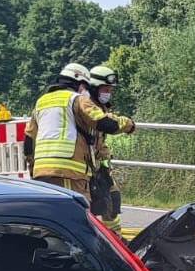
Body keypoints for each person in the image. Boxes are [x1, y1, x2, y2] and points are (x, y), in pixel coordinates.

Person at [25, 63, 130, 201]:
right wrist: (128, 124)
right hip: (69, 173)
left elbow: (28, 141)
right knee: (77, 215)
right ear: (79, 83)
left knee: (53, 216)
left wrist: (34, 168)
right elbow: (103, 122)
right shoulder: (76, 99)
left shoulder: (41, 102)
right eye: (85, 86)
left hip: (41, 173)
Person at [87, 65, 136, 233]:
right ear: (93, 88)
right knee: (91, 208)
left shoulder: (99, 107)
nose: (108, 93)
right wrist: (128, 124)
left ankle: (115, 240)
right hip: (84, 170)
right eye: (105, 89)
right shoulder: (85, 106)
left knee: (112, 201)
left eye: (110, 89)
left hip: (98, 168)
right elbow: (108, 123)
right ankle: (104, 242)